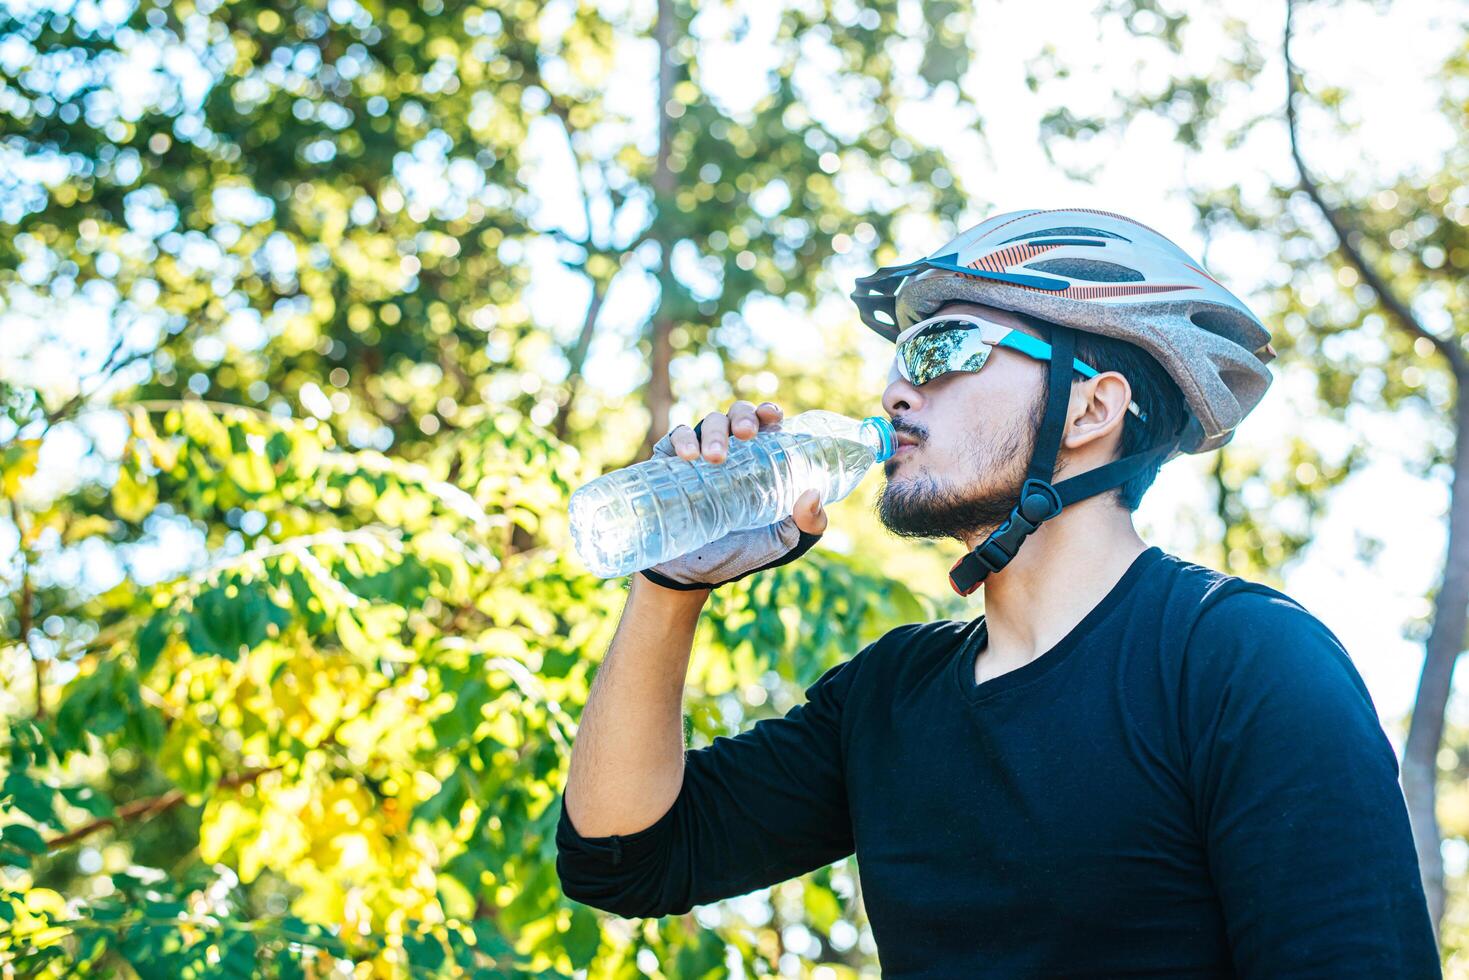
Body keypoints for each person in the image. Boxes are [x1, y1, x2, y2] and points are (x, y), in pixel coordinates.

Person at [554, 208, 1439, 976]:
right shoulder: (893, 694)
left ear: (1091, 410)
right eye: (899, 359)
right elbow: (623, 858)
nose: (898, 389)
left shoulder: (1241, 660)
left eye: (942, 350)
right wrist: (671, 586)